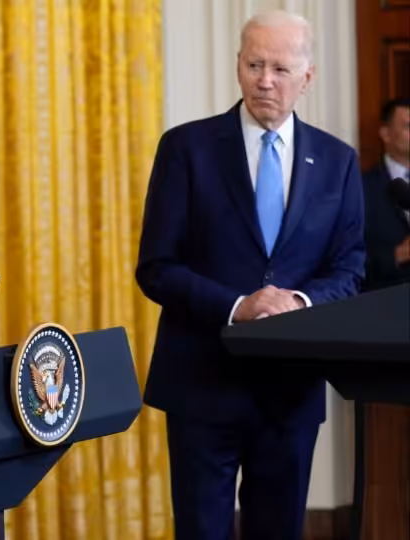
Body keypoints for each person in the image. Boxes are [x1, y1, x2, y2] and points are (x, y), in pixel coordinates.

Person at [135, 10, 365, 540]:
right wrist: (240, 306)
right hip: (201, 384)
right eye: (254, 64)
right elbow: (157, 268)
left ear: (307, 78)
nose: (265, 79)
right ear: (237, 66)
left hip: (290, 392)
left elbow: (350, 267)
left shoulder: (338, 161)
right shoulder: (186, 149)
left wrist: (299, 304)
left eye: (280, 69)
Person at [362, 97, 410, 291]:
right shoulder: (361, 187)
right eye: (408, 126)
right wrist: (399, 254)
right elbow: (346, 259)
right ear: (386, 134)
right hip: (387, 303)